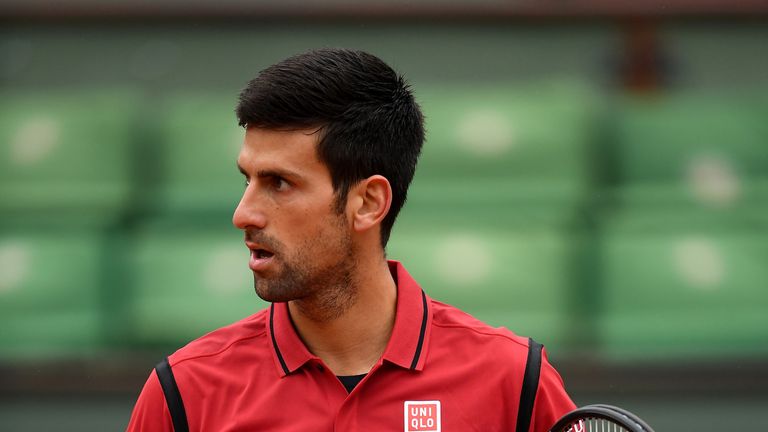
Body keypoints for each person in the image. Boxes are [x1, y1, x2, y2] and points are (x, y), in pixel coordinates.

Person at [127, 48, 575, 432]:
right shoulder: (183, 392)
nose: (243, 214)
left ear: (368, 202)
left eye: (279, 183)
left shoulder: (513, 379)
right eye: (247, 179)